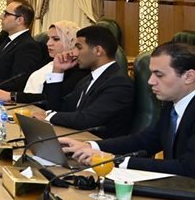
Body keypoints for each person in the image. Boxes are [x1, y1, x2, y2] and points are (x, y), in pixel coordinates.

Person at [61, 41, 195, 178]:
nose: (150, 81)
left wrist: (114, 160)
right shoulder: (172, 104)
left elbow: (188, 168)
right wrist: (90, 146)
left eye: (159, 75)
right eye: (151, 74)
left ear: (189, 77)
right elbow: (145, 141)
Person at [37, 25, 134, 138]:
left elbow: (88, 119)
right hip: (75, 138)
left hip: (98, 145)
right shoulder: (87, 79)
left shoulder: (119, 83)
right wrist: (57, 71)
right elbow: (58, 107)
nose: (74, 53)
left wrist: (49, 116)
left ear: (98, 51)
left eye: (79, 48)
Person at [0, 20, 80, 105]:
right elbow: (22, 82)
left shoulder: (76, 70)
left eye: (56, 39)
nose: (48, 43)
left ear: (71, 41)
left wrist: (12, 96)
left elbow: (49, 98)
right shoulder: (47, 60)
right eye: (48, 38)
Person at [0, 0, 44, 92]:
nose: (1, 17)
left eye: (6, 14)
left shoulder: (28, 46)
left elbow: (17, 83)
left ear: (20, 20)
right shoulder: (8, 39)